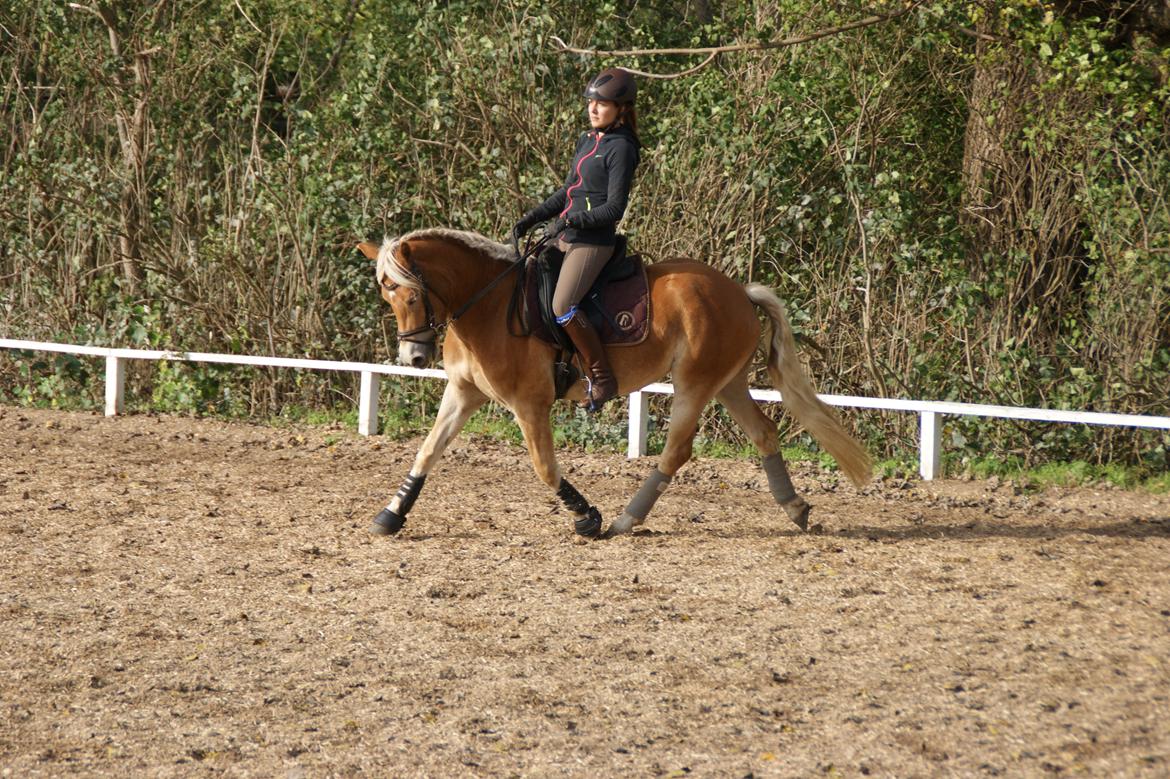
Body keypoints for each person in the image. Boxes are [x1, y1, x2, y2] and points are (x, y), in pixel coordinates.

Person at [511, 68, 641, 412]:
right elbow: (568, 191)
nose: (594, 108)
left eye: (603, 103)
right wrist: (532, 217)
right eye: (591, 102)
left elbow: (614, 208)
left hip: (592, 242)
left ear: (622, 108)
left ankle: (602, 377)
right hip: (566, 234)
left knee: (561, 305)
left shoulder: (622, 148)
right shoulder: (588, 140)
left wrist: (572, 219)